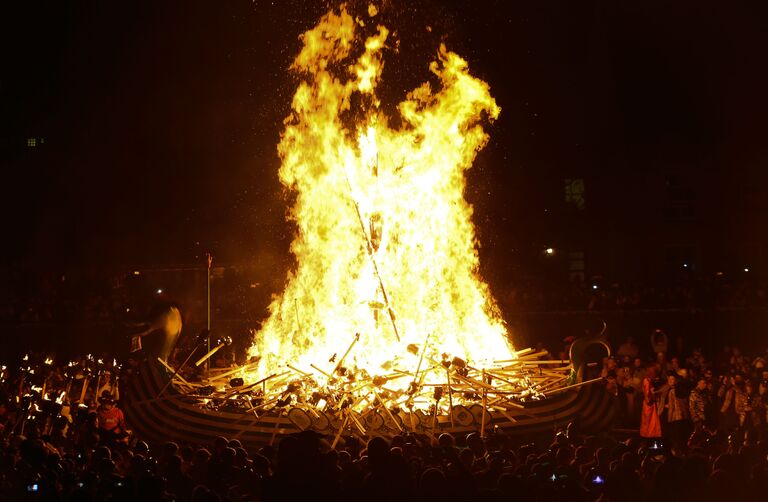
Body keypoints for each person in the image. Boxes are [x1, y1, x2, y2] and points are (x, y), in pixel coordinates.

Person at [640, 366, 662, 440]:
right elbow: (647, 394)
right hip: (649, 404)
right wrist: (651, 398)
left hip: (652, 404)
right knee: (648, 422)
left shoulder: (650, 381)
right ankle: (648, 436)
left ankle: (652, 435)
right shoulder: (646, 381)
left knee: (652, 422)